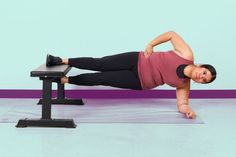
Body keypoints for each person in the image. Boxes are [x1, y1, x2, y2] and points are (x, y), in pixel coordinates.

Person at [46, 31, 217, 119]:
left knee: (102, 78)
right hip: (137, 59)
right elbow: (172, 34)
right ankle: (61, 59)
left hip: (139, 81)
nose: (201, 77)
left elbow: (182, 104)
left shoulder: (183, 84)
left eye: (204, 80)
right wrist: (151, 44)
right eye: (204, 73)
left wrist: (188, 111)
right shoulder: (187, 54)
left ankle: (63, 79)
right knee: (101, 63)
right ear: (200, 66)